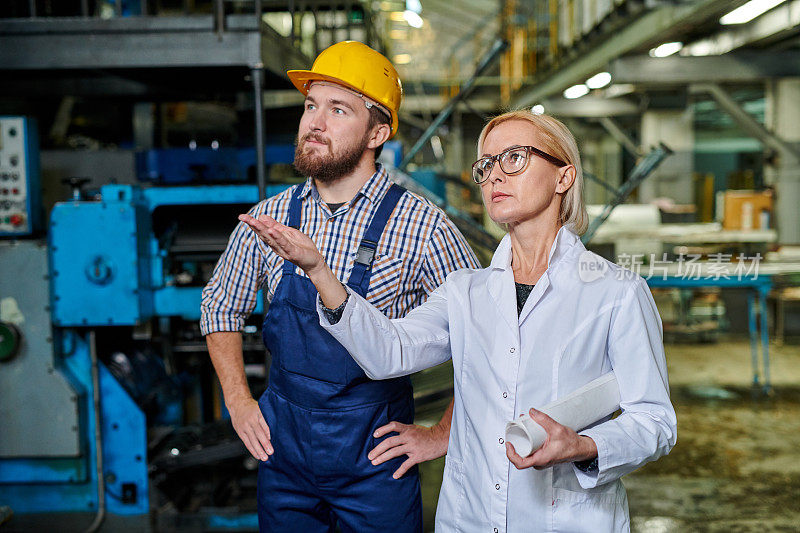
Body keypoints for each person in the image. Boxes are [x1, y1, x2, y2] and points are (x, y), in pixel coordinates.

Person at [240, 110, 678, 532]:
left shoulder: (616, 293)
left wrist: (584, 446)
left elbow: (654, 422)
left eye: (515, 158)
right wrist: (319, 270)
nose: (495, 176)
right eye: (485, 165)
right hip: (469, 518)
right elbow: (388, 352)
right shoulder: (465, 291)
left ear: (564, 177)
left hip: (566, 519)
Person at [200, 40, 480, 532]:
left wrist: (443, 433)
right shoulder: (269, 218)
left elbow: (487, 338)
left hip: (375, 464)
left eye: (337, 109)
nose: (315, 122)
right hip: (283, 458)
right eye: (311, 106)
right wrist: (239, 401)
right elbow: (220, 307)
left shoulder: (422, 227)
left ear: (378, 131)